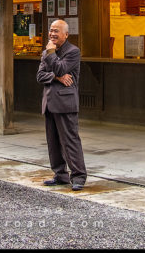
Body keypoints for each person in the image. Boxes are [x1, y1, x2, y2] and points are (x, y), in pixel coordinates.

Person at [36, 19, 86, 191]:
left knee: (70, 140)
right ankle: (60, 174)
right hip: (49, 101)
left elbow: (60, 67)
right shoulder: (47, 52)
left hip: (66, 102)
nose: (52, 34)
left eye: (56, 31)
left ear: (66, 34)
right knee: (53, 142)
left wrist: (51, 56)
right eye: (51, 30)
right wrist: (57, 77)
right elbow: (40, 76)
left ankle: (78, 176)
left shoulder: (73, 51)